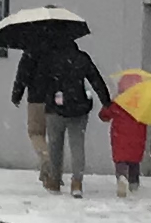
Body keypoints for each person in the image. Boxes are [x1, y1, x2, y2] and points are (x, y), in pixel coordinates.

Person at [9, 23, 115, 196]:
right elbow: (96, 80)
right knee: (77, 146)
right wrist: (106, 101)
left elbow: (34, 76)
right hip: (79, 108)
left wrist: (21, 94)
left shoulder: (46, 56)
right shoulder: (82, 57)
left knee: (55, 145)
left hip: (54, 107)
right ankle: (77, 182)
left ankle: (54, 180)